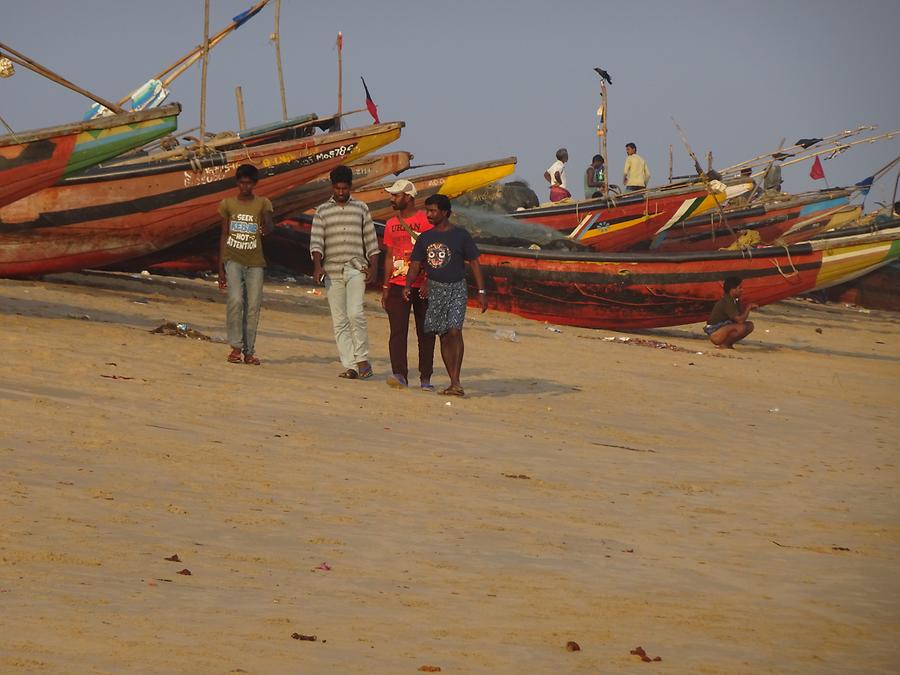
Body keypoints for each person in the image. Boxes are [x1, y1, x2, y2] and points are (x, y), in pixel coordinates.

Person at [404, 194, 488, 397]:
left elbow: (475, 262)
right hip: (435, 289)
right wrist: (408, 285)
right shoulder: (425, 238)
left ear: (445, 212)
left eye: (433, 211)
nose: (429, 215)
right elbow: (415, 264)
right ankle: (453, 382)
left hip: (457, 288)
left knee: (454, 330)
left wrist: (482, 291)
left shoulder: (461, 236)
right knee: (442, 334)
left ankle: (456, 381)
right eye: (427, 211)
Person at [311, 165, 380, 379]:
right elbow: (316, 242)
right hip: (331, 271)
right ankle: (350, 366)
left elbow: (371, 240)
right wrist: (317, 265)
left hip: (356, 268)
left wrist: (374, 267)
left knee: (355, 313)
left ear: (350, 187)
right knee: (339, 320)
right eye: (337, 188)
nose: (341, 192)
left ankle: (362, 359)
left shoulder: (361, 208)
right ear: (332, 187)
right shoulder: (322, 211)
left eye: (345, 188)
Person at [381, 178, 436, 391]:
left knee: (426, 332)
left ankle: (425, 377)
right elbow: (389, 256)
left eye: (396, 195)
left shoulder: (425, 220)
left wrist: (430, 280)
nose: (391, 198)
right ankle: (400, 374)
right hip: (397, 283)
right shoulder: (391, 223)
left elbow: (434, 252)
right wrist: (385, 287)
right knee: (397, 331)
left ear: (409, 196)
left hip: (422, 283)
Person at [217, 163, 274, 365]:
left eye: (249, 184)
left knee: (253, 306)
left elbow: (269, 224)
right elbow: (224, 234)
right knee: (235, 301)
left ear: (255, 184)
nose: (245, 188)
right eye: (241, 183)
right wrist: (220, 268)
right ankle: (235, 347)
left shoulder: (263, 203)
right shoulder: (227, 204)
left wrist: (266, 226)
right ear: (237, 183)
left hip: (255, 262)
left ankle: (249, 351)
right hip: (233, 259)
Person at [704, 276, 758, 349]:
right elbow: (740, 320)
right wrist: (748, 308)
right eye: (740, 288)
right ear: (732, 290)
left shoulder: (735, 300)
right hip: (714, 331)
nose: (742, 290)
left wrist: (745, 308)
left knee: (749, 326)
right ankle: (725, 344)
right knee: (741, 328)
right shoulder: (727, 300)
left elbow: (741, 317)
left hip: (723, 327)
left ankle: (727, 343)